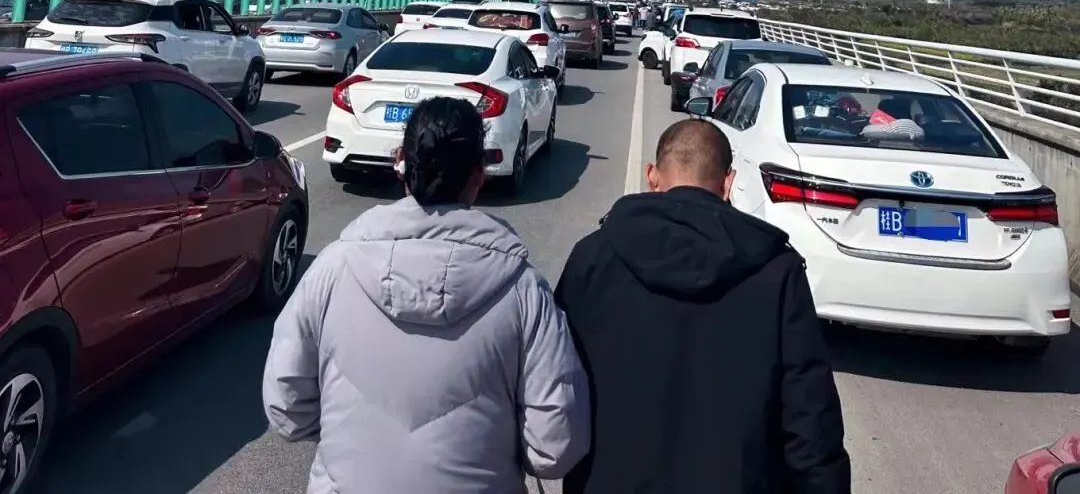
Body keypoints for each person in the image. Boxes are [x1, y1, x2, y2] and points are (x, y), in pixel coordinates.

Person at [263, 96, 590, 493]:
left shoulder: (332, 269)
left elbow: (285, 405)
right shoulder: (523, 290)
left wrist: (350, 438)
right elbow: (555, 445)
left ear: (401, 161)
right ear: (479, 174)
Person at [555, 118, 851, 494]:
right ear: (728, 183)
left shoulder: (593, 257)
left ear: (652, 176)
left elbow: (554, 383)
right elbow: (810, 418)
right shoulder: (776, 271)